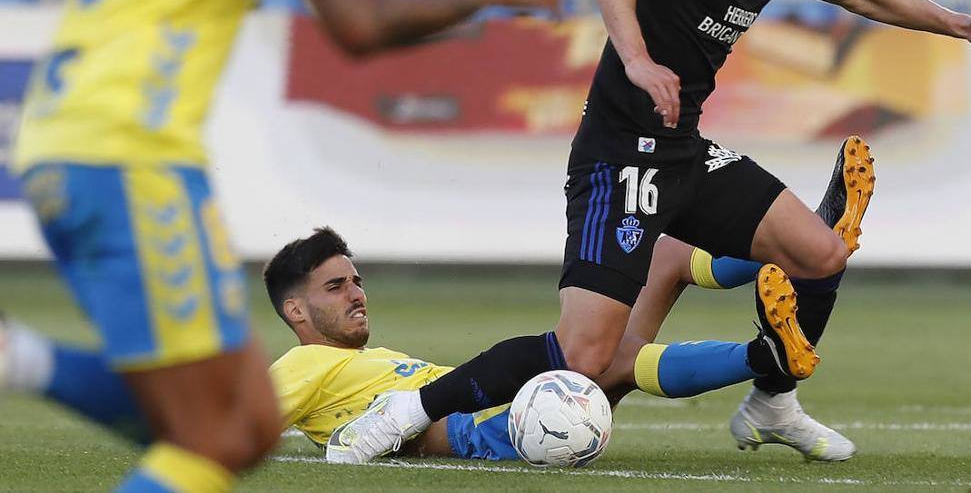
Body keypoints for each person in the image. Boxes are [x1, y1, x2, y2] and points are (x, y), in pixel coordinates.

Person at [314, 0, 971, 465]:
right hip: (620, 159)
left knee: (821, 252)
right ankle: (404, 414)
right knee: (586, 354)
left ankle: (771, 401)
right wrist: (634, 57)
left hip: (683, 153)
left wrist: (962, 23)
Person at [0, 0, 557, 490]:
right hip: (130, 148)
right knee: (216, 431)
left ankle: (20, 358)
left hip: (58, 134)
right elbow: (355, 22)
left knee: (249, 423)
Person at [264, 227, 833, 462]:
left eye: (356, 281)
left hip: (512, 405)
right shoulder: (303, 362)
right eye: (336, 288)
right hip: (491, 425)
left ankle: (793, 248)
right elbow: (236, 422)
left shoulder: (362, 361)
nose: (357, 294)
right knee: (608, 358)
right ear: (295, 311)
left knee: (666, 256)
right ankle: (766, 357)